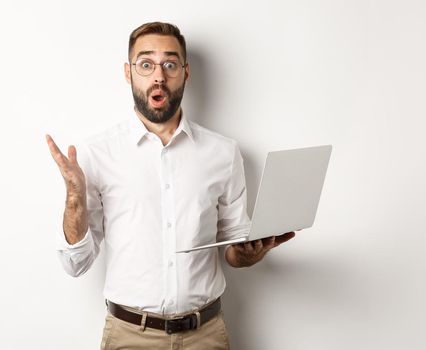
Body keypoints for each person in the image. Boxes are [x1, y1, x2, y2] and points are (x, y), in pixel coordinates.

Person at [45, 22, 295, 349]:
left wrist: (248, 254)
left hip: (205, 335)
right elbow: (75, 264)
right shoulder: (97, 153)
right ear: (128, 72)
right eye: (146, 64)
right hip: (129, 336)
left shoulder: (224, 153)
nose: (158, 75)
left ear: (186, 73)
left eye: (170, 64)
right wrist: (75, 198)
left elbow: (233, 250)